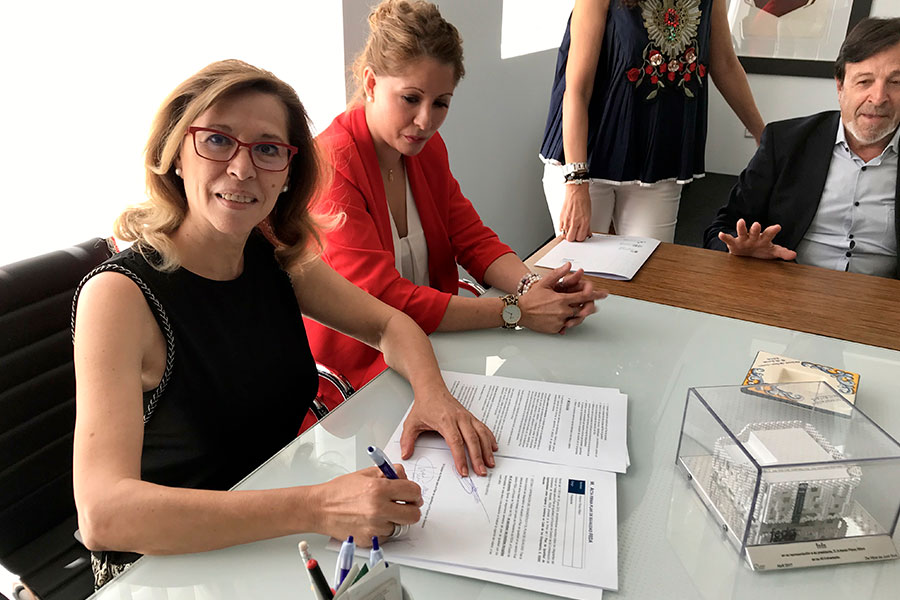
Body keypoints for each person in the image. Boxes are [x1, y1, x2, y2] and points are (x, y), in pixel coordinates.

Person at [71, 59, 498, 588]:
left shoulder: (271, 254)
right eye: (218, 140)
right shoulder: (118, 295)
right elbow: (103, 514)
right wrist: (318, 506)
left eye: (268, 149)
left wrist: (433, 397)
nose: (242, 169)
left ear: (288, 172)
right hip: (165, 569)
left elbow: (392, 325)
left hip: (271, 531)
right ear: (177, 152)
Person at [306, 0, 606, 408]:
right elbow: (385, 299)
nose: (425, 121)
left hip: (438, 349)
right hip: (363, 377)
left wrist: (535, 287)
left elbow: (472, 238)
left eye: (440, 103)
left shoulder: (425, 149)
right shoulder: (332, 164)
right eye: (410, 98)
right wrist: (516, 310)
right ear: (371, 83)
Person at [539, 0, 765, 243]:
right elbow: (577, 91)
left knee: (650, 263)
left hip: (658, 158)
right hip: (586, 158)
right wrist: (576, 184)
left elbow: (725, 64)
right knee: (584, 265)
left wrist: (764, 135)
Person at [704, 17, 900, 279]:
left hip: (884, 298)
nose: (878, 98)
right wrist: (737, 249)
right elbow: (721, 229)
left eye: (896, 82)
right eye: (864, 81)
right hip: (785, 286)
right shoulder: (785, 142)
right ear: (840, 86)